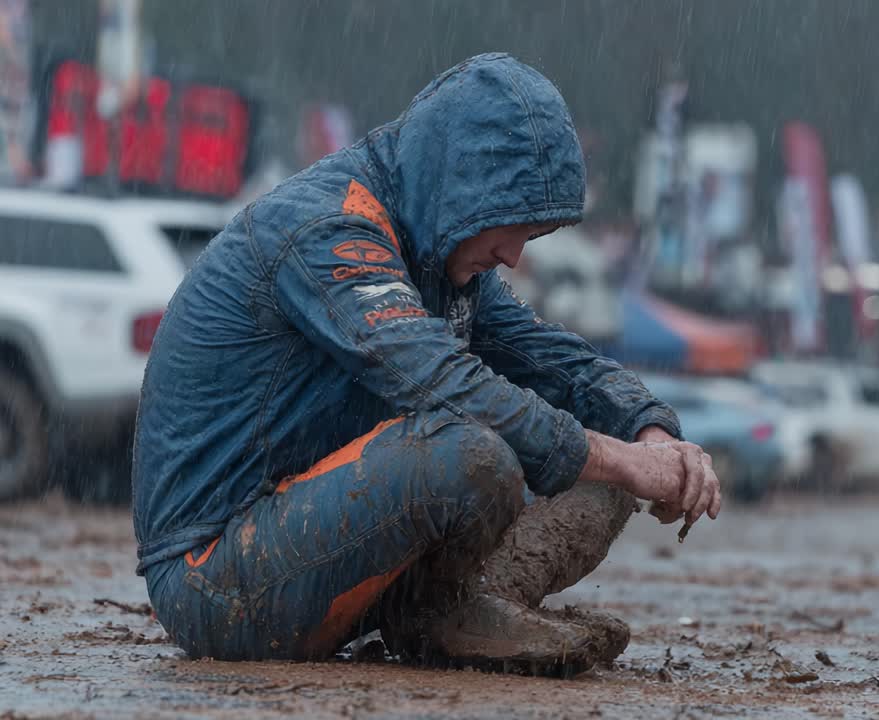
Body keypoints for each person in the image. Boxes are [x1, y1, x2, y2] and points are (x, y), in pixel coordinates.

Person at [131, 54, 721, 675]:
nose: (514, 256)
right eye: (509, 226)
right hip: (214, 581)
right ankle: (440, 618)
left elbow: (559, 363)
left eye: (533, 235)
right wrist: (622, 457)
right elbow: (443, 386)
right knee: (471, 450)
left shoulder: (440, 246)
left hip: (340, 556)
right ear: (458, 187)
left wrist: (652, 437)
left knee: (607, 472)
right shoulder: (330, 228)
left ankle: (450, 608)